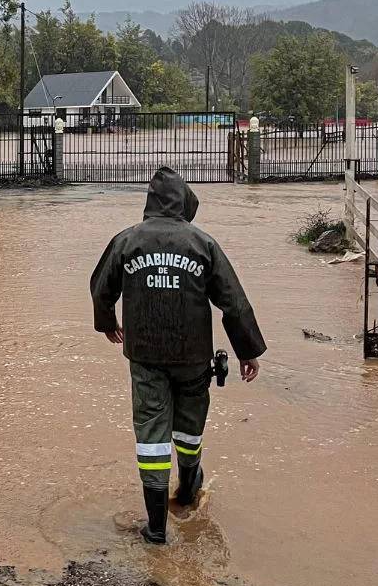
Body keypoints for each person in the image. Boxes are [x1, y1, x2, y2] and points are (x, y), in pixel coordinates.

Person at [90, 166, 266, 545]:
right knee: (188, 427)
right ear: (184, 202)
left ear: (150, 203)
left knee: (151, 435)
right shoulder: (202, 243)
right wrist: (247, 351)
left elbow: (101, 286)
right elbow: (232, 302)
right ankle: (187, 490)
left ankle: (155, 528)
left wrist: (107, 322)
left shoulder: (127, 241)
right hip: (193, 357)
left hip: (145, 355)